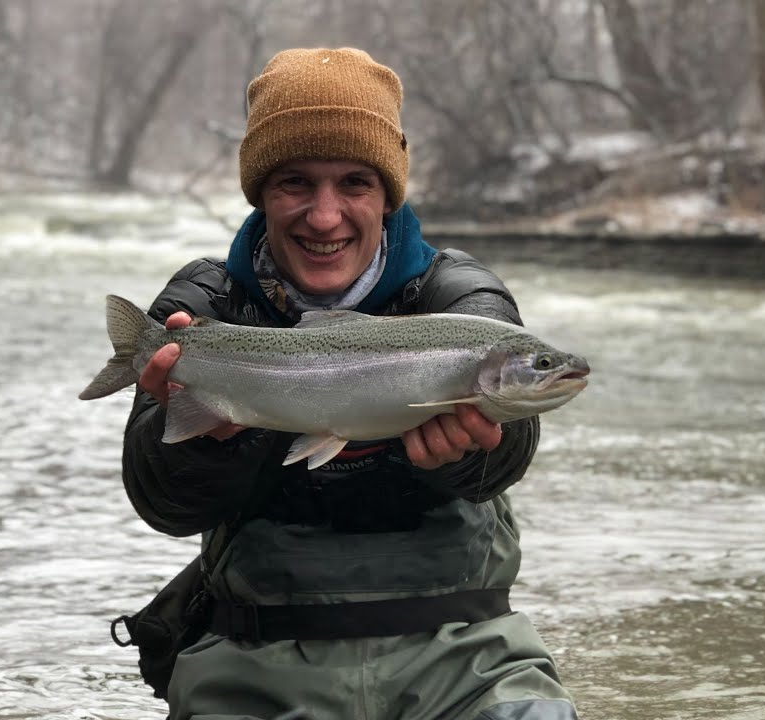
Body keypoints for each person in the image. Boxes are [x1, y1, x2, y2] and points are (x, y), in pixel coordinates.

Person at [120, 48, 579, 720]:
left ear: (388, 193)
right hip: (256, 662)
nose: (325, 216)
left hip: (461, 655)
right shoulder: (205, 310)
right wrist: (212, 440)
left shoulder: (459, 300)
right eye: (295, 183)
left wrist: (472, 451)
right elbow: (161, 503)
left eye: (355, 184)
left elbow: (511, 452)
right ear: (260, 192)